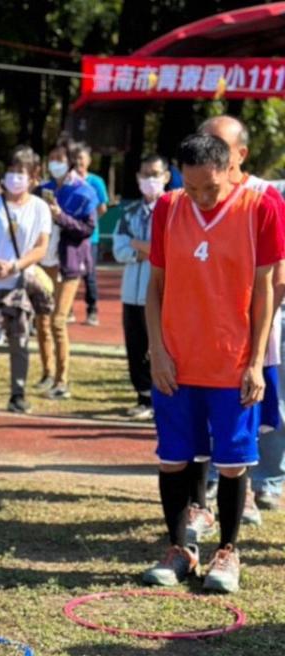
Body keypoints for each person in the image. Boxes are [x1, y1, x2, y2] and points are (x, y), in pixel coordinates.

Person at [142, 133, 282, 594]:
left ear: (231, 169)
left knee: (232, 463)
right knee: (173, 459)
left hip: (231, 362)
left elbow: (266, 291)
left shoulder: (260, 208)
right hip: (176, 362)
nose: (202, 197)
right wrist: (158, 351)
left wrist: (256, 361)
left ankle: (228, 550)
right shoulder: (167, 208)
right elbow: (156, 287)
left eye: (211, 187)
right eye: (193, 186)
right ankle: (179, 547)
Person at [197, 115, 285, 520]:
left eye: (219, 145)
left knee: (256, 405)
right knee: (203, 410)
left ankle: (255, 485)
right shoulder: (189, 197)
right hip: (202, 329)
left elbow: (276, 275)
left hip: (253, 329)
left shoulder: (265, 197)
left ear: (241, 153)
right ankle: (211, 489)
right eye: (203, 142)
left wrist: (253, 325)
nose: (209, 152)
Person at [0, 147, 51, 413]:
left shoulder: (39, 207)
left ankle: (17, 393)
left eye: (21, 173)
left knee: (19, 340)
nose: (15, 177)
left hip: (18, 283)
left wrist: (15, 266)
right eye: (11, 171)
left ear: (34, 177)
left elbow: (40, 247)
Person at [35, 143, 98, 400]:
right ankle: (47, 372)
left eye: (59, 159)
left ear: (70, 161)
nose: (54, 163)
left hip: (68, 264)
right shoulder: (43, 189)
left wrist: (60, 216)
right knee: (41, 319)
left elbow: (87, 229)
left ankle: (62, 380)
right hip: (43, 262)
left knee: (58, 321)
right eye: (51, 158)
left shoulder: (84, 191)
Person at [112, 154, 169, 421]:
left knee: (159, 344)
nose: (150, 180)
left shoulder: (174, 210)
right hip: (131, 292)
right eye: (145, 174)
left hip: (160, 291)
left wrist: (138, 244)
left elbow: (168, 250)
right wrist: (141, 249)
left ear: (166, 177)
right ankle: (142, 396)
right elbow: (119, 249)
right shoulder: (129, 213)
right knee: (135, 345)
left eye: (155, 174)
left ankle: (163, 396)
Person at [71, 141, 108, 327]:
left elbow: (102, 207)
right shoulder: (68, 180)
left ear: (89, 161)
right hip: (69, 235)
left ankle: (92, 311)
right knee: (68, 273)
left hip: (90, 237)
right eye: (76, 158)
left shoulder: (96, 181)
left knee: (89, 276)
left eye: (82, 158)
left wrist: (88, 223)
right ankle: (67, 309)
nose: (78, 162)